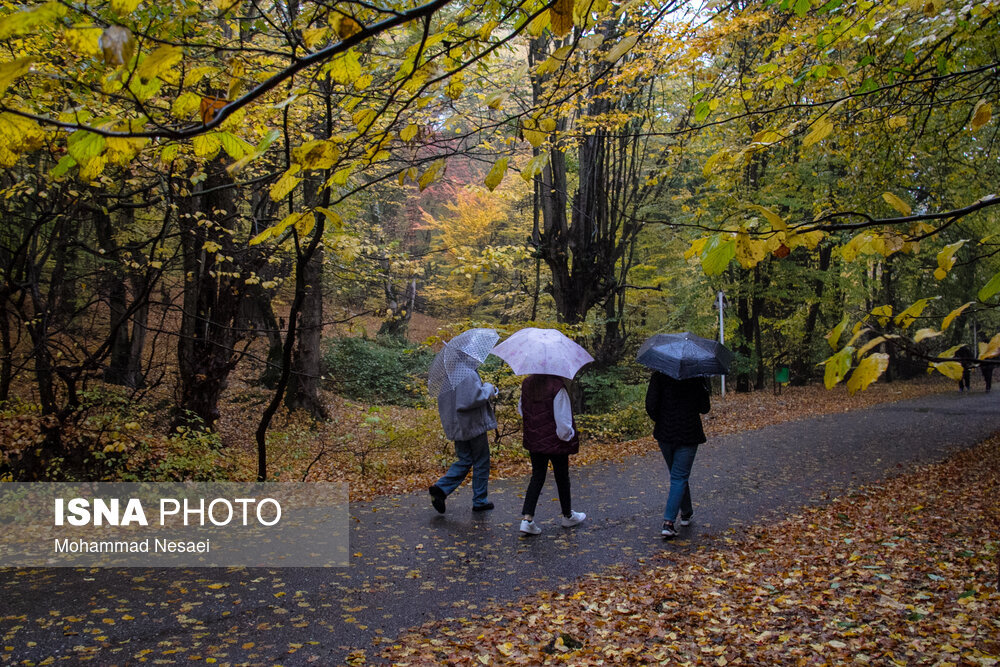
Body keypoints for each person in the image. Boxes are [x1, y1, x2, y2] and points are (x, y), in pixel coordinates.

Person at [517, 374, 586, 535]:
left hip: (535, 439)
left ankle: (527, 519)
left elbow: (521, 410)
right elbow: (563, 420)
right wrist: (569, 436)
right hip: (556, 440)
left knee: (537, 476)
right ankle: (567, 515)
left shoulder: (527, 384)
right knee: (562, 477)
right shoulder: (557, 387)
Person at [645, 372, 711, 538]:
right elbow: (704, 407)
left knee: (678, 475)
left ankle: (686, 512)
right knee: (679, 477)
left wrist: (662, 419)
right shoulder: (696, 375)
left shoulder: (659, 375)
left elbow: (650, 405)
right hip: (688, 432)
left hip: (665, 433)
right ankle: (668, 523)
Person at [429, 371, 497, 513]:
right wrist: (489, 388)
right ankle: (480, 501)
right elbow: (473, 398)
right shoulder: (466, 372)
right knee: (481, 461)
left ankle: (441, 489)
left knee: (465, 460)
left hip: (457, 425)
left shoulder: (448, 375)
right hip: (472, 424)